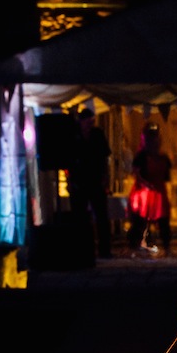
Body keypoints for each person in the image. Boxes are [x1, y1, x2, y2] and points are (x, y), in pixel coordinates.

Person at [68, 106, 112, 259]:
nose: (89, 125)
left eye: (91, 122)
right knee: (80, 217)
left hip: (95, 180)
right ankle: (82, 249)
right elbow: (69, 161)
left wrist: (105, 177)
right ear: (81, 122)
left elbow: (105, 157)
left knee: (101, 216)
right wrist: (70, 180)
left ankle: (104, 250)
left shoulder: (97, 135)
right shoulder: (74, 136)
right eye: (87, 122)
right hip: (80, 181)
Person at [128, 122, 172, 255]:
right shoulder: (141, 157)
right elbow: (136, 173)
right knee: (141, 220)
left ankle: (166, 246)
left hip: (158, 193)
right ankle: (139, 243)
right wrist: (145, 184)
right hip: (144, 194)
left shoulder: (163, 157)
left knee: (163, 221)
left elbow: (166, 177)